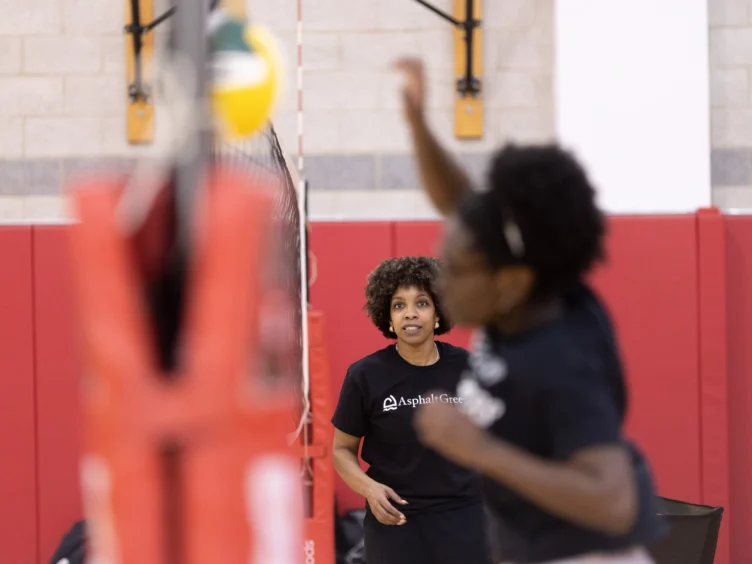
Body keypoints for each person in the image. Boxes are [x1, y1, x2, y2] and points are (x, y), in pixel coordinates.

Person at [395, 58, 665, 564]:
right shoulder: (523, 284)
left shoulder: (561, 361)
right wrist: (417, 123)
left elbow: (612, 500)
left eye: (455, 269)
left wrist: (477, 449)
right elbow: (460, 204)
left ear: (511, 282)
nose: (442, 281)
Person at [331, 256, 493, 564]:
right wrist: (369, 489)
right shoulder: (364, 375)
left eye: (421, 303)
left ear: (437, 314)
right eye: (399, 305)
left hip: (464, 518)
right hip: (395, 523)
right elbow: (341, 450)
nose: (410, 314)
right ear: (388, 318)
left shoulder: (470, 368)